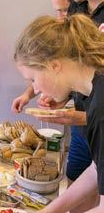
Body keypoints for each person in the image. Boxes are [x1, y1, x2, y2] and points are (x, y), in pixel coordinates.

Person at [14, 13, 104, 213]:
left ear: (54, 66)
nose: (35, 88)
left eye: (33, 79)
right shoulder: (89, 91)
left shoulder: (100, 106)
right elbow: (97, 169)